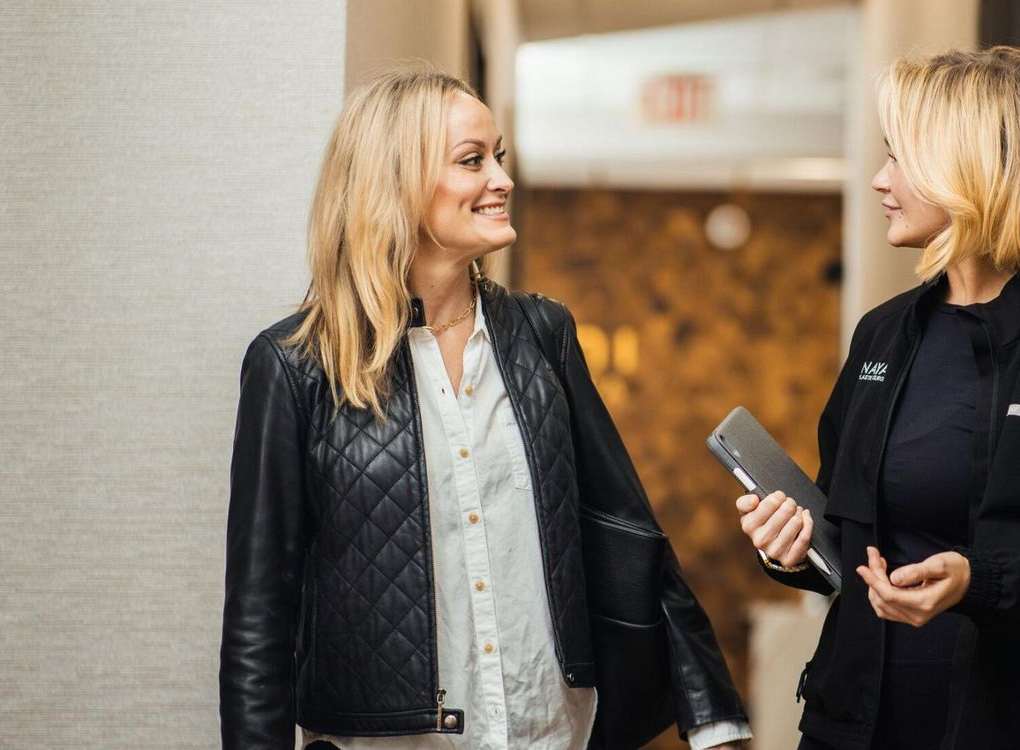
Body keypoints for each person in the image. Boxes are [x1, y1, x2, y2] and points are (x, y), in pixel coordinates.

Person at [220, 65, 750, 750]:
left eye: (498, 157)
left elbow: (626, 530)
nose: (501, 180)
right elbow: (260, 619)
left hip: (548, 730)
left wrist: (712, 712)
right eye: (473, 161)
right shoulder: (294, 366)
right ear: (397, 183)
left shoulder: (543, 333)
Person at [735, 47, 1020, 749]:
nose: (881, 180)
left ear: (973, 168)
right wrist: (791, 551)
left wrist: (981, 582)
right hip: (854, 728)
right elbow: (845, 538)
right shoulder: (883, 336)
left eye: (900, 157)